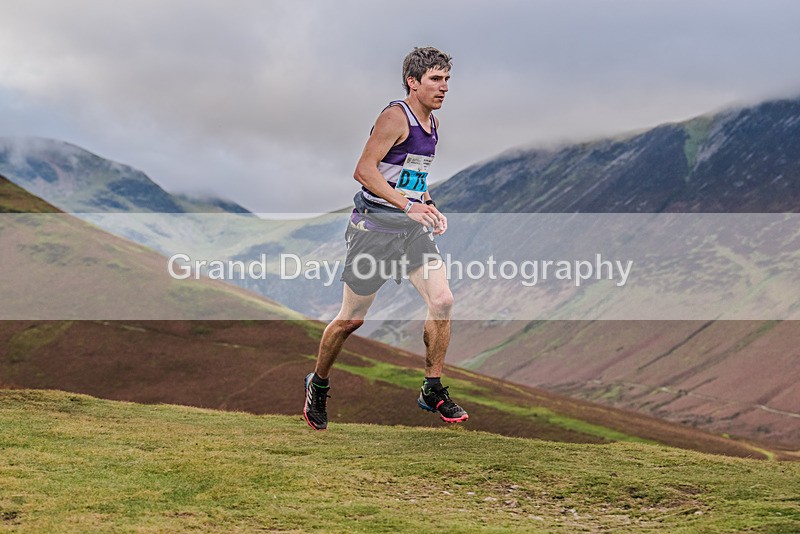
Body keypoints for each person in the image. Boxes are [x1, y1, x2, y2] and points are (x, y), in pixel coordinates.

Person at [303, 46, 469, 431]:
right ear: (413, 82)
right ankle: (319, 384)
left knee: (442, 300)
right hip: (374, 230)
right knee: (351, 321)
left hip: (409, 232)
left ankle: (432, 387)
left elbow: (413, 178)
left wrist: (428, 205)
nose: (444, 88)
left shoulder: (434, 126)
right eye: (435, 80)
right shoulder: (395, 116)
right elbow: (364, 171)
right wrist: (406, 206)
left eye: (447, 80)